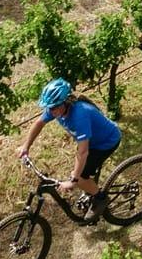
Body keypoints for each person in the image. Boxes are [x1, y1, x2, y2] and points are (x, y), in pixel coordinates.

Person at [17, 78, 122, 217]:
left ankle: (101, 198)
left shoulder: (80, 115)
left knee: (80, 178)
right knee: (79, 173)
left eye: (53, 107)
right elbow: (39, 123)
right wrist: (26, 146)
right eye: (49, 107)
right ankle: (89, 186)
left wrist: (74, 181)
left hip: (106, 142)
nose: (51, 111)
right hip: (91, 142)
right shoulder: (56, 109)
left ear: (65, 102)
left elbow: (83, 152)